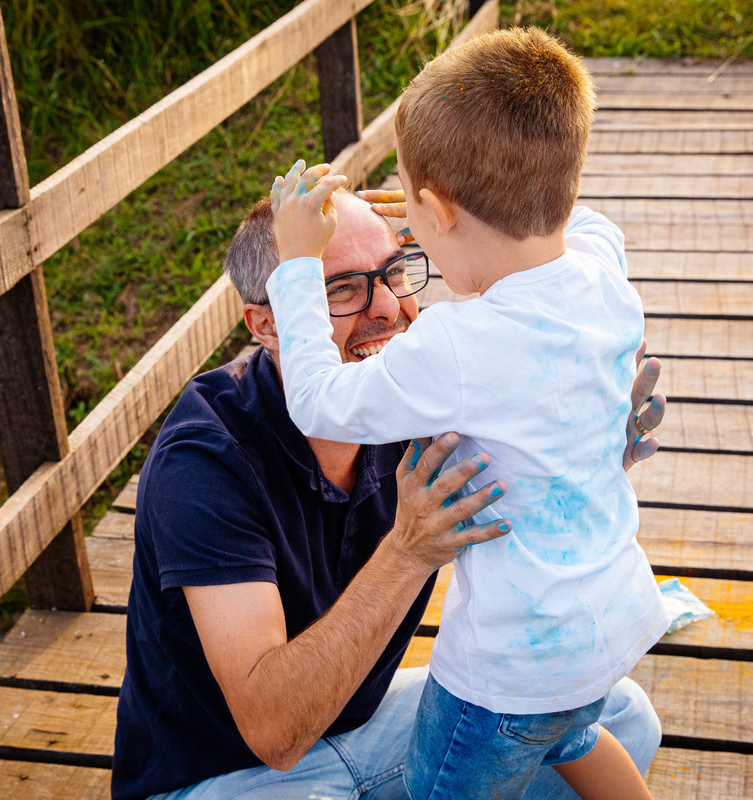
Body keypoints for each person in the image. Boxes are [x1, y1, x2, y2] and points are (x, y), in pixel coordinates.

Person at [110, 188, 667, 799]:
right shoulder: (204, 457)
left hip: (358, 727)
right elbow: (273, 732)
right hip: (226, 776)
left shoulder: (420, 389)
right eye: (341, 289)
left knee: (623, 718)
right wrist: (407, 552)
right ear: (268, 324)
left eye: (395, 272)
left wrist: (590, 437)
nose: (387, 308)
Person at [262, 27, 667, 800]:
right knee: (574, 736)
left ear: (437, 212)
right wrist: (450, 198)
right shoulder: (602, 273)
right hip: (607, 625)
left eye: (415, 222)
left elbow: (319, 400)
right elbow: (585, 222)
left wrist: (299, 263)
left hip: (506, 671)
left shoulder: (455, 343)